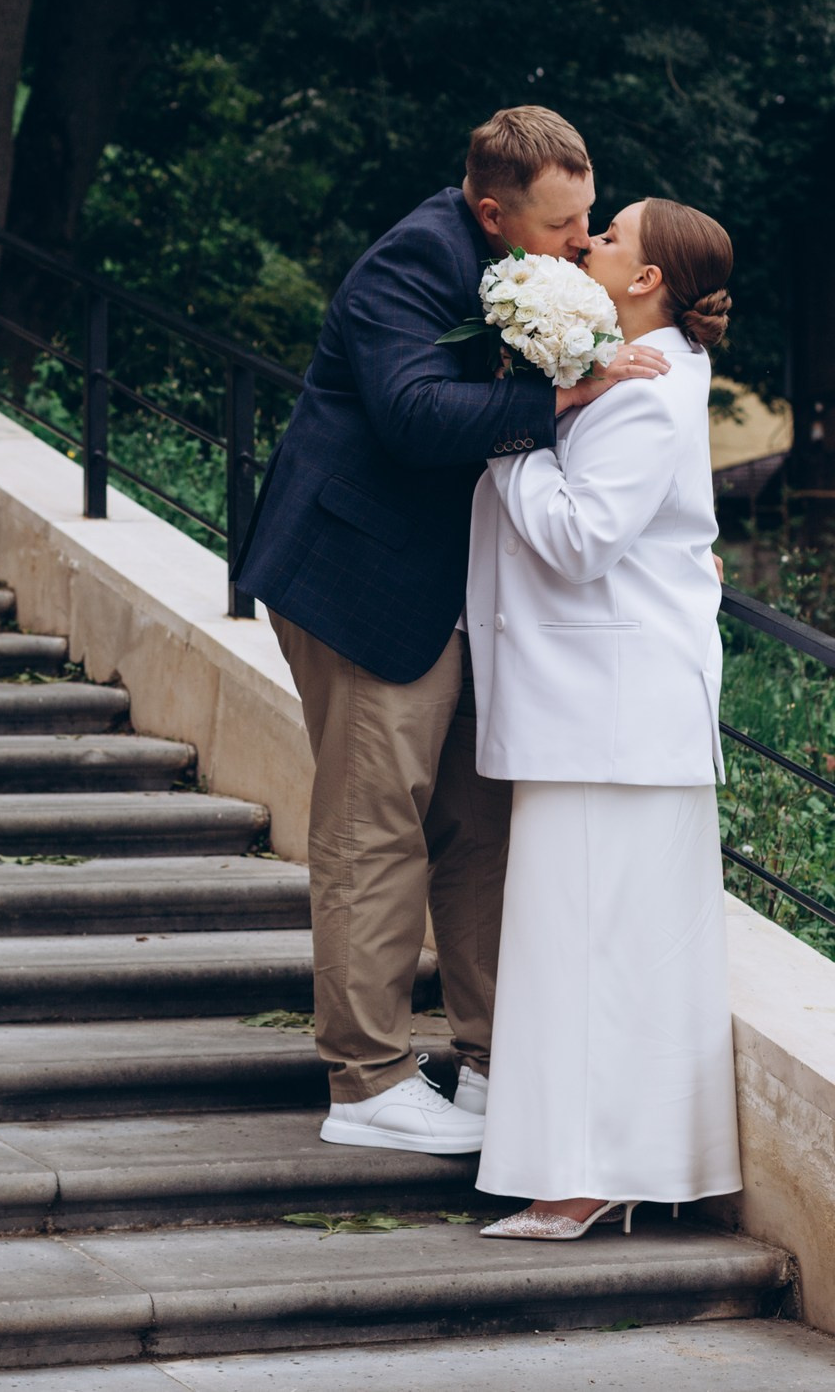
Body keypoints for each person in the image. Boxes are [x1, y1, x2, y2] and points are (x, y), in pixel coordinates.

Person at [231, 108, 670, 1155]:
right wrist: (561, 397)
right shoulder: (411, 263)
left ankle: (489, 1065)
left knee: (481, 825)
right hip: (359, 579)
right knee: (373, 824)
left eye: (589, 216)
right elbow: (414, 414)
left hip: (469, 593)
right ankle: (369, 1080)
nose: (580, 240)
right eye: (561, 225)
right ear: (489, 211)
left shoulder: (534, 261)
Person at [463, 195, 744, 1235]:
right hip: (615, 714)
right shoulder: (643, 377)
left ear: (646, 280)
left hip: (607, 718)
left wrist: (508, 440)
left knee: (580, 952)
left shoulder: (646, 390)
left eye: (611, 235)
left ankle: (582, 1179)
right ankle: (613, 1168)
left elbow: (580, 541)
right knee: (607, 953)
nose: (587, 240)